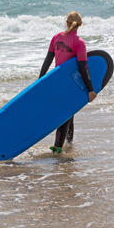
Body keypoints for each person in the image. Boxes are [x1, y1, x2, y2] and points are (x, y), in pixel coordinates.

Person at [39, 11, 97, 154]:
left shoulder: (56, 38)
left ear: (66, 23)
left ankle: (69, 144)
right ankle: (58, 149)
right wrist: (90, 89)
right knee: (66, 114)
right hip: (71, 85)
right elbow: (83, 67)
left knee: (70, 114)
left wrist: (40, 81)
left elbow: (47, 61)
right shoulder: (79, 43)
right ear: (80, 24)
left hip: (57, 82)